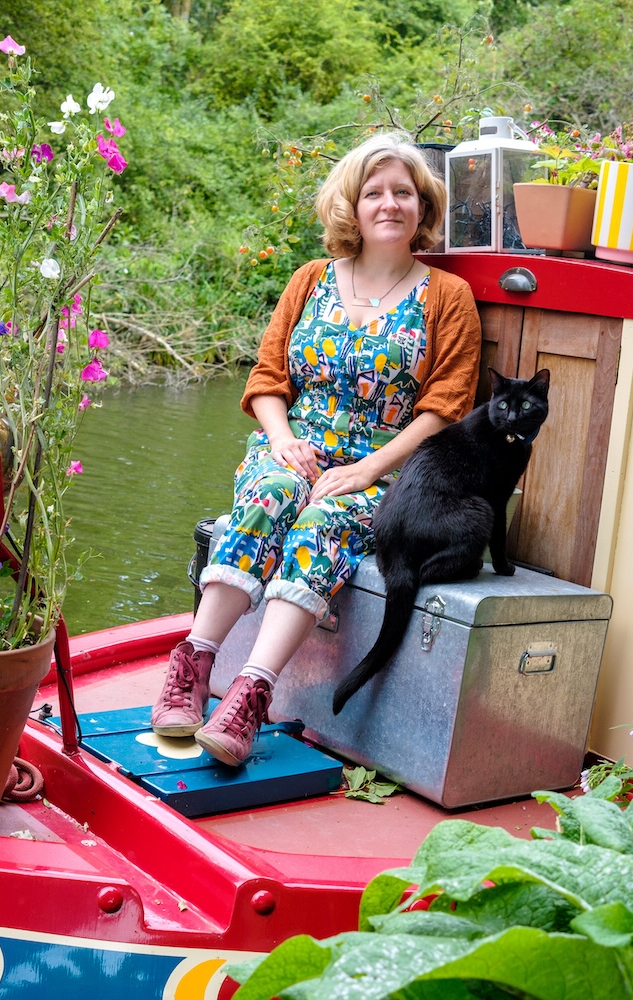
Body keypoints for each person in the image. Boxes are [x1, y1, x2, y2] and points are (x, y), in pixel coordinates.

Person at [151, 131, 482, 766]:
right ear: (352, 207)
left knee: (322, 523)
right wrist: (281, 441)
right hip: (292, 447)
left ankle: (250, 695)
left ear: (423, 206)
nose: (389, 204)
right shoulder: (311, 280)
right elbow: (268, 379)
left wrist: (365, 471)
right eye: (374, 192)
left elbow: (446, 407)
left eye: (404, 193)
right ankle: (191, 664)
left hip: (380, 471)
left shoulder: (446, 296)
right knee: (271, 498)